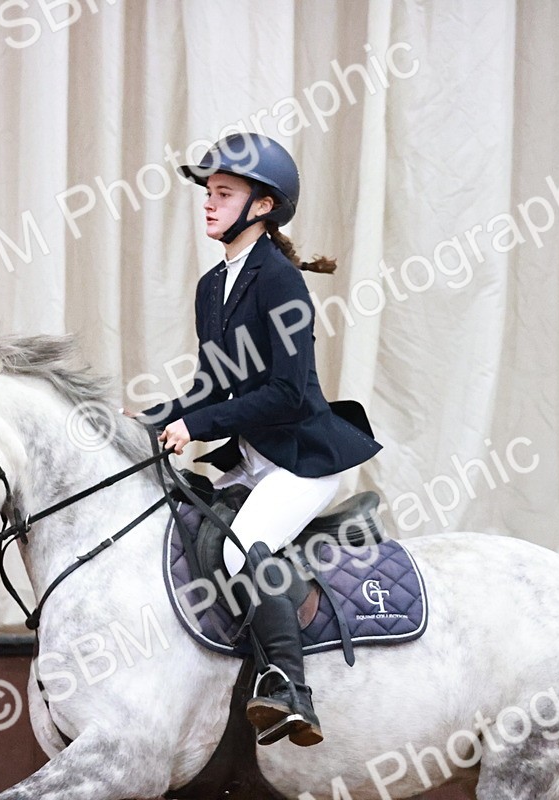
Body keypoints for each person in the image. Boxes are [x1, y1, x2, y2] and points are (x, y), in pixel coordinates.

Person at [137, 132, 382, 747]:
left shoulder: (280, 281)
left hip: (303, 460)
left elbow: (291, 394)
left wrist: (197, 425)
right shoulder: (211, 287)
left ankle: (290, 687)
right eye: (208, 194)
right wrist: (151, 419)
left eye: (224, 193)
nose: (209, 204)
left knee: (238, 547)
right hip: (254, 459)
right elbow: (212, 383)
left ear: (263, 205)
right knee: (188, 526)